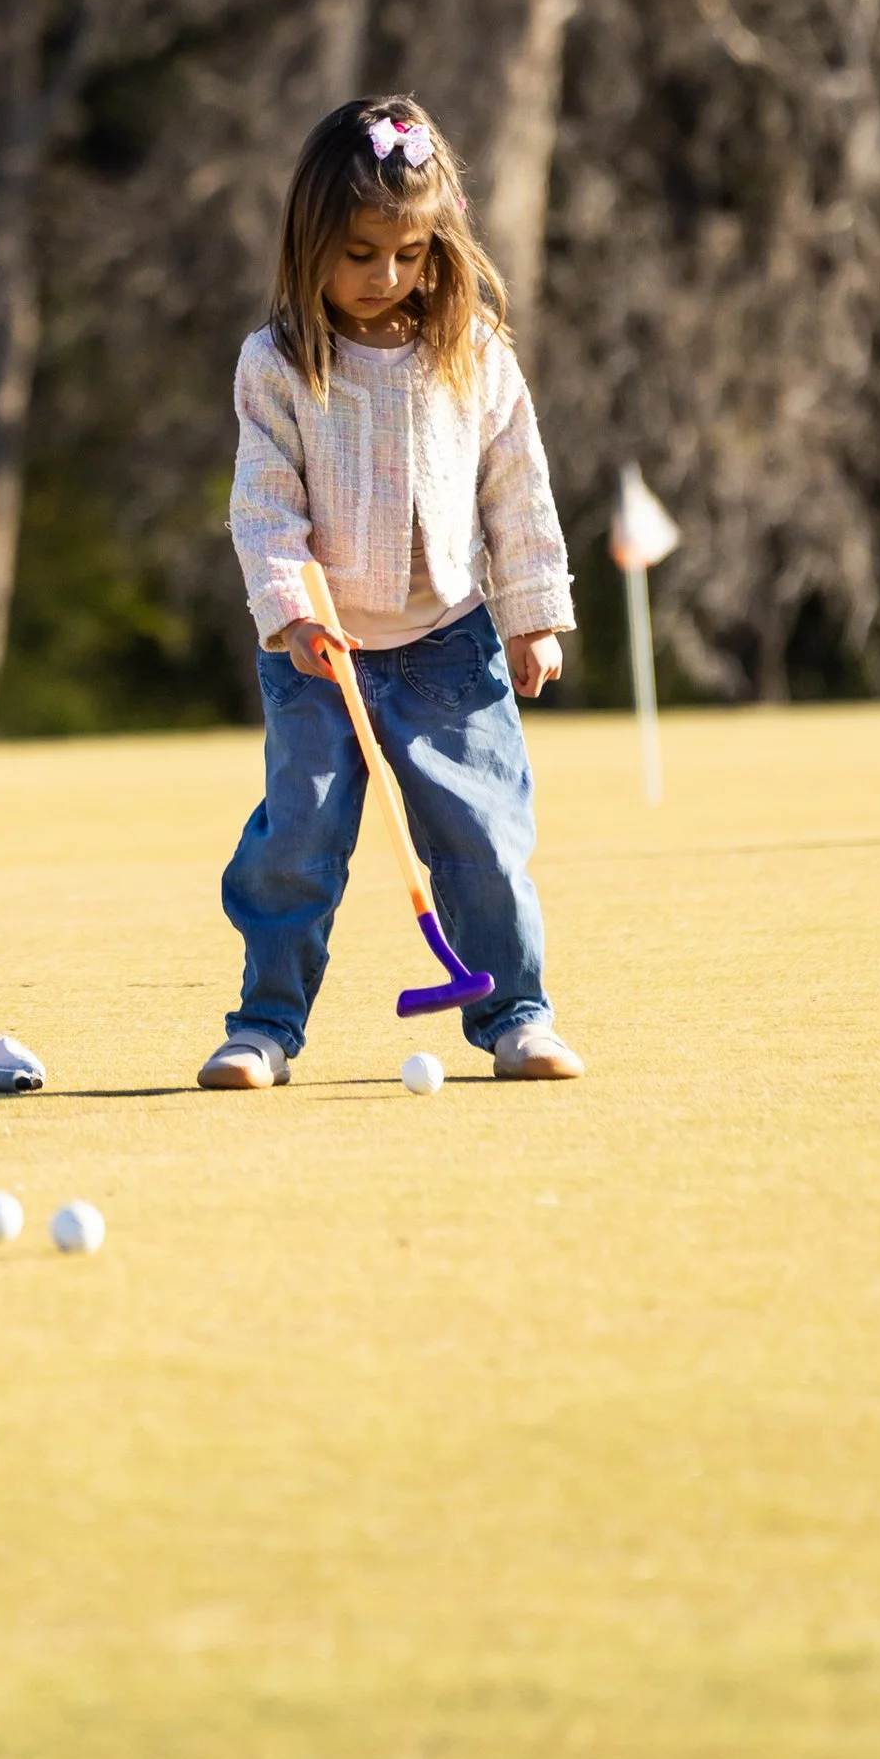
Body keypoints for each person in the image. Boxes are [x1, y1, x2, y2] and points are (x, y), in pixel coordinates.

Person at [203, 95, 584, 1091]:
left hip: (448, 644)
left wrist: (534, 610)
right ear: (311, 243)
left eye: (408, 254)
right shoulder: (276, 365)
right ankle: (265, 1028)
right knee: (298, 842)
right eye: (360, 253)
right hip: (317, 655)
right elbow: (263, 503)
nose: (385, 278)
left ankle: (516, 1015)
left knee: (485, 840)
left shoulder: (472, 356)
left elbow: (515, 483)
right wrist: (290, 610)